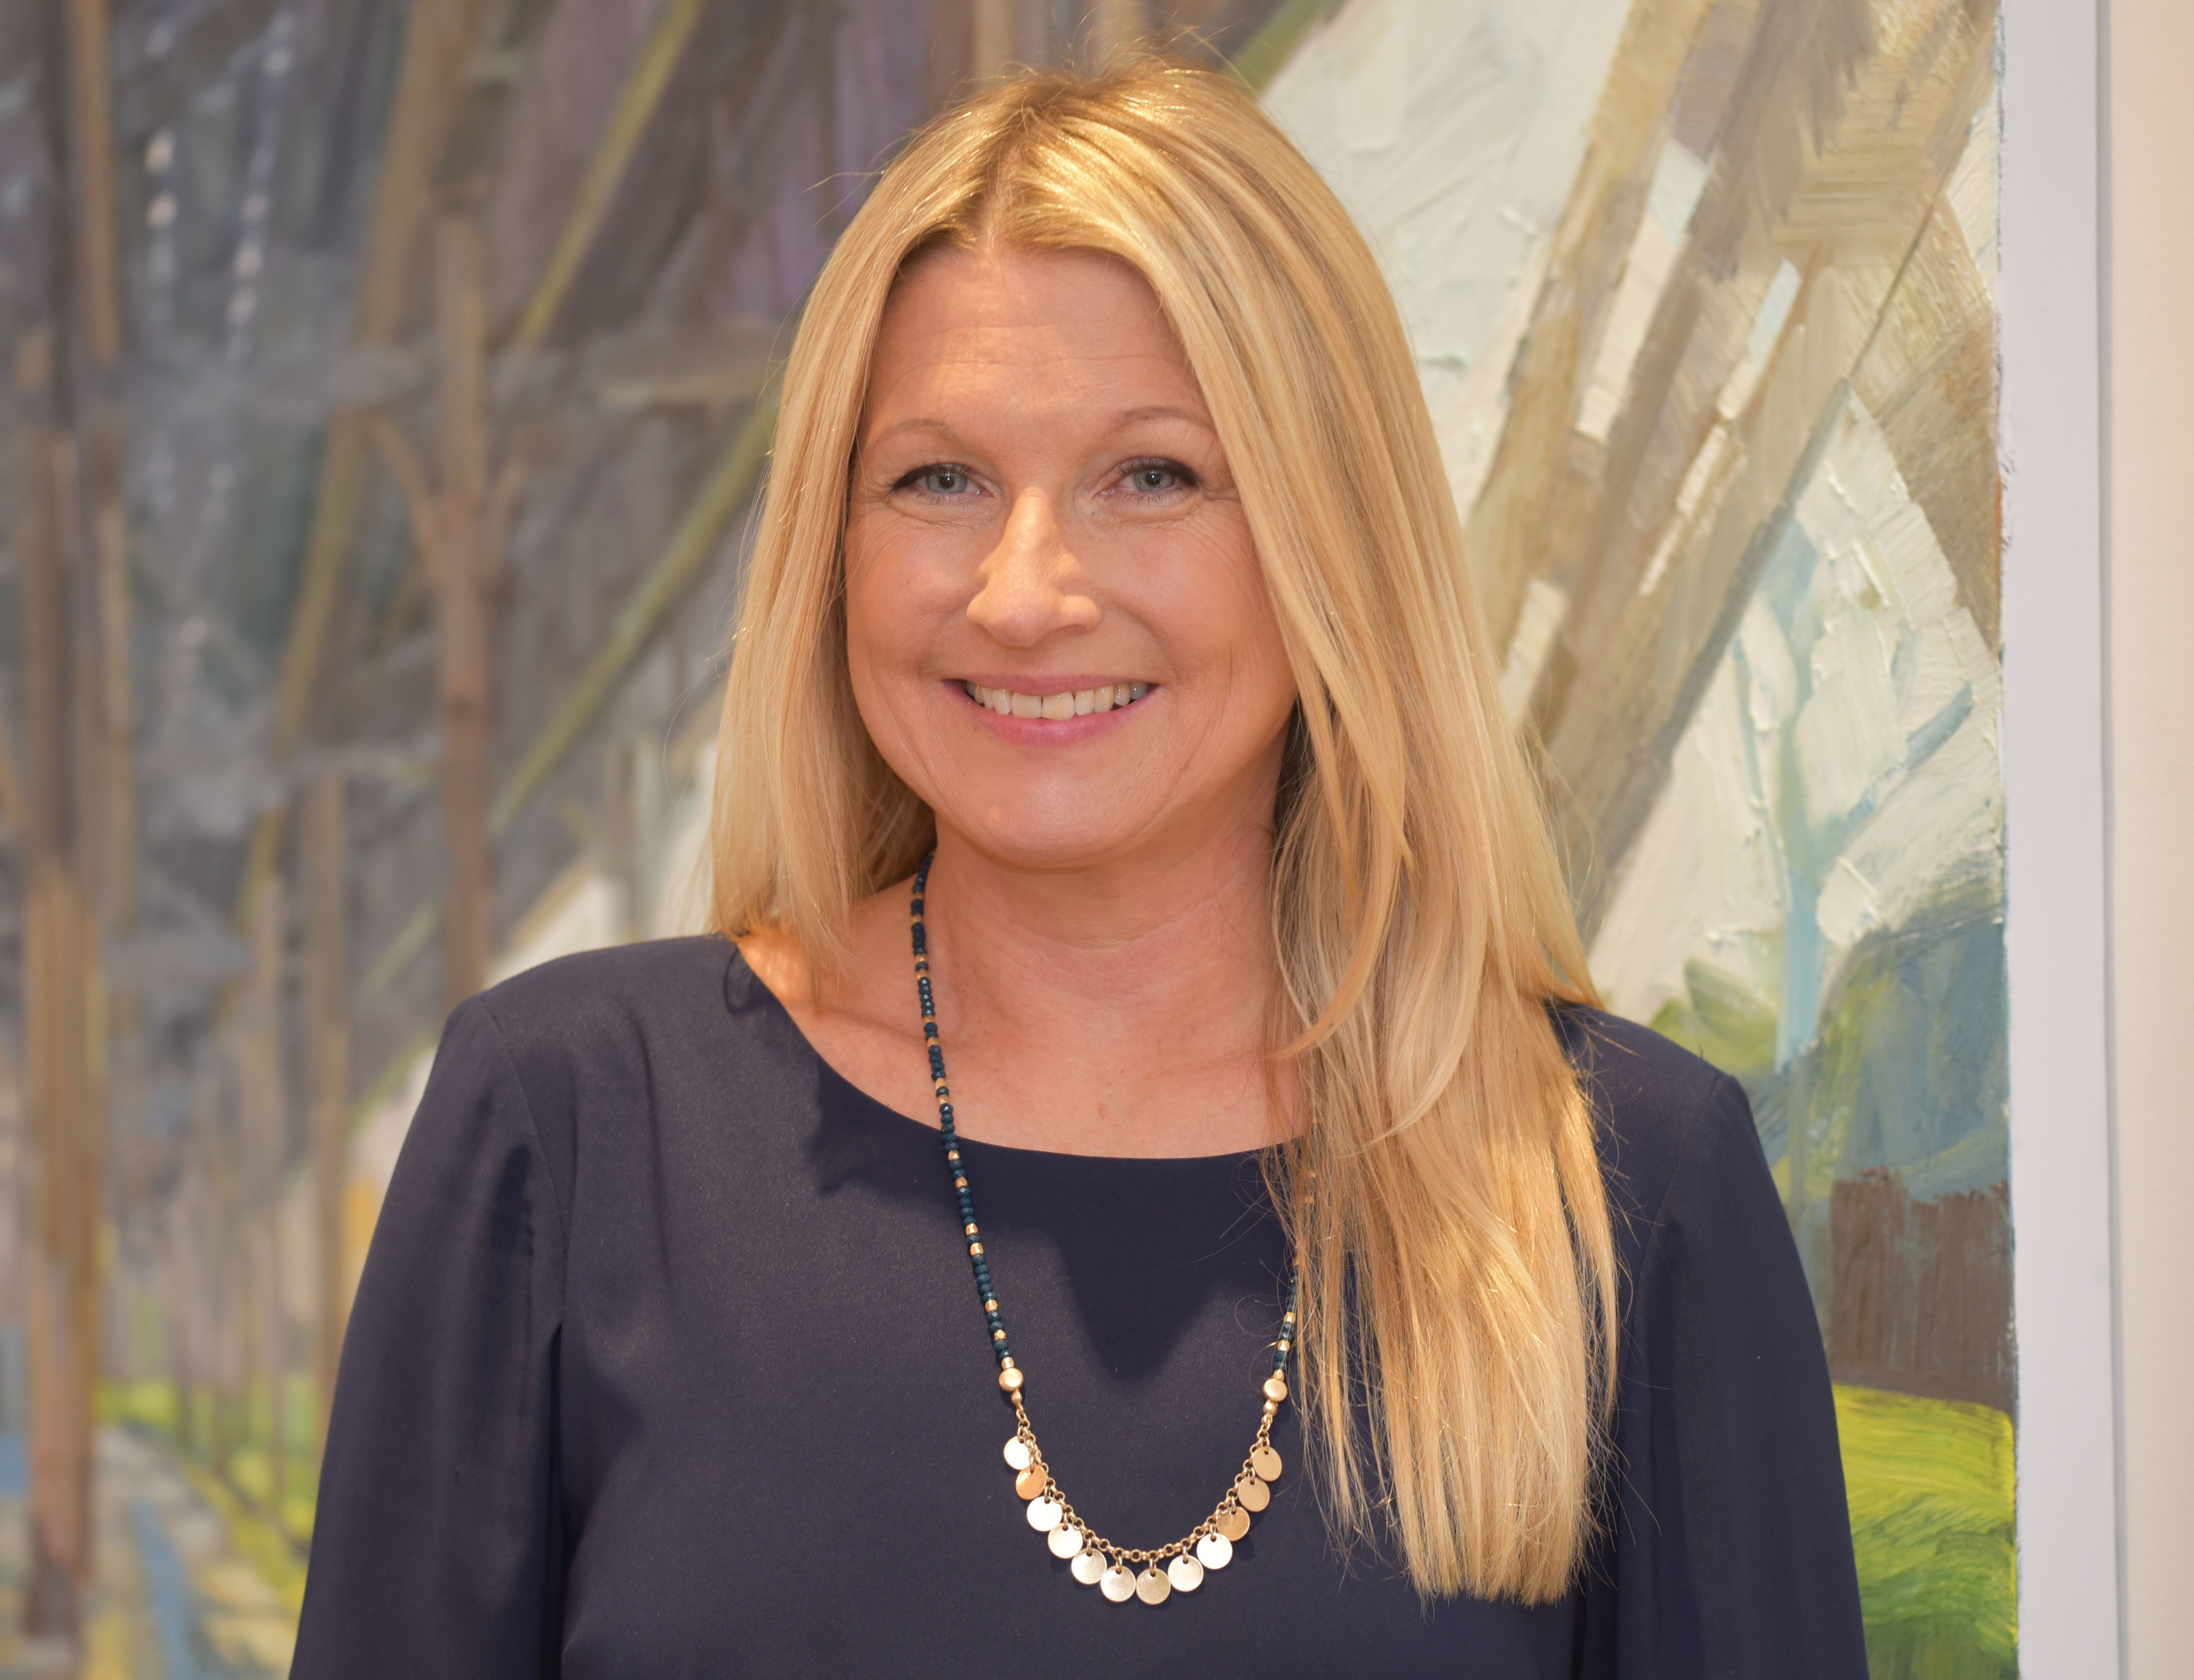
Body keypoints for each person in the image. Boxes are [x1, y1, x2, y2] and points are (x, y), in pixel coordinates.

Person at [292, 60, 1864, 1678]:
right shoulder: (570, 1126)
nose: (1026, 592)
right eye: (938, 480)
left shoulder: (1616, 1185)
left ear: (1335, 545)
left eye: (1152, 477)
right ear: (831, 547)